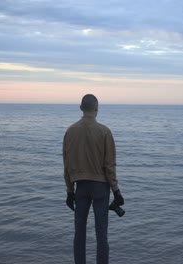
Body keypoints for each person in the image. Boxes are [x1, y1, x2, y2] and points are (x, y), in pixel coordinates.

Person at [63, 94, 124, 264]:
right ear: (96, 109)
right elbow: (109, 166)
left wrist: (69, 191)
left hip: (80, 187)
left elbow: (67, 165)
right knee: (101, 233)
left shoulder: (70, 131)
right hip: (100, 188)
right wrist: (116, 191)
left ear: (81, 108)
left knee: (79, 232)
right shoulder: (104, 131)